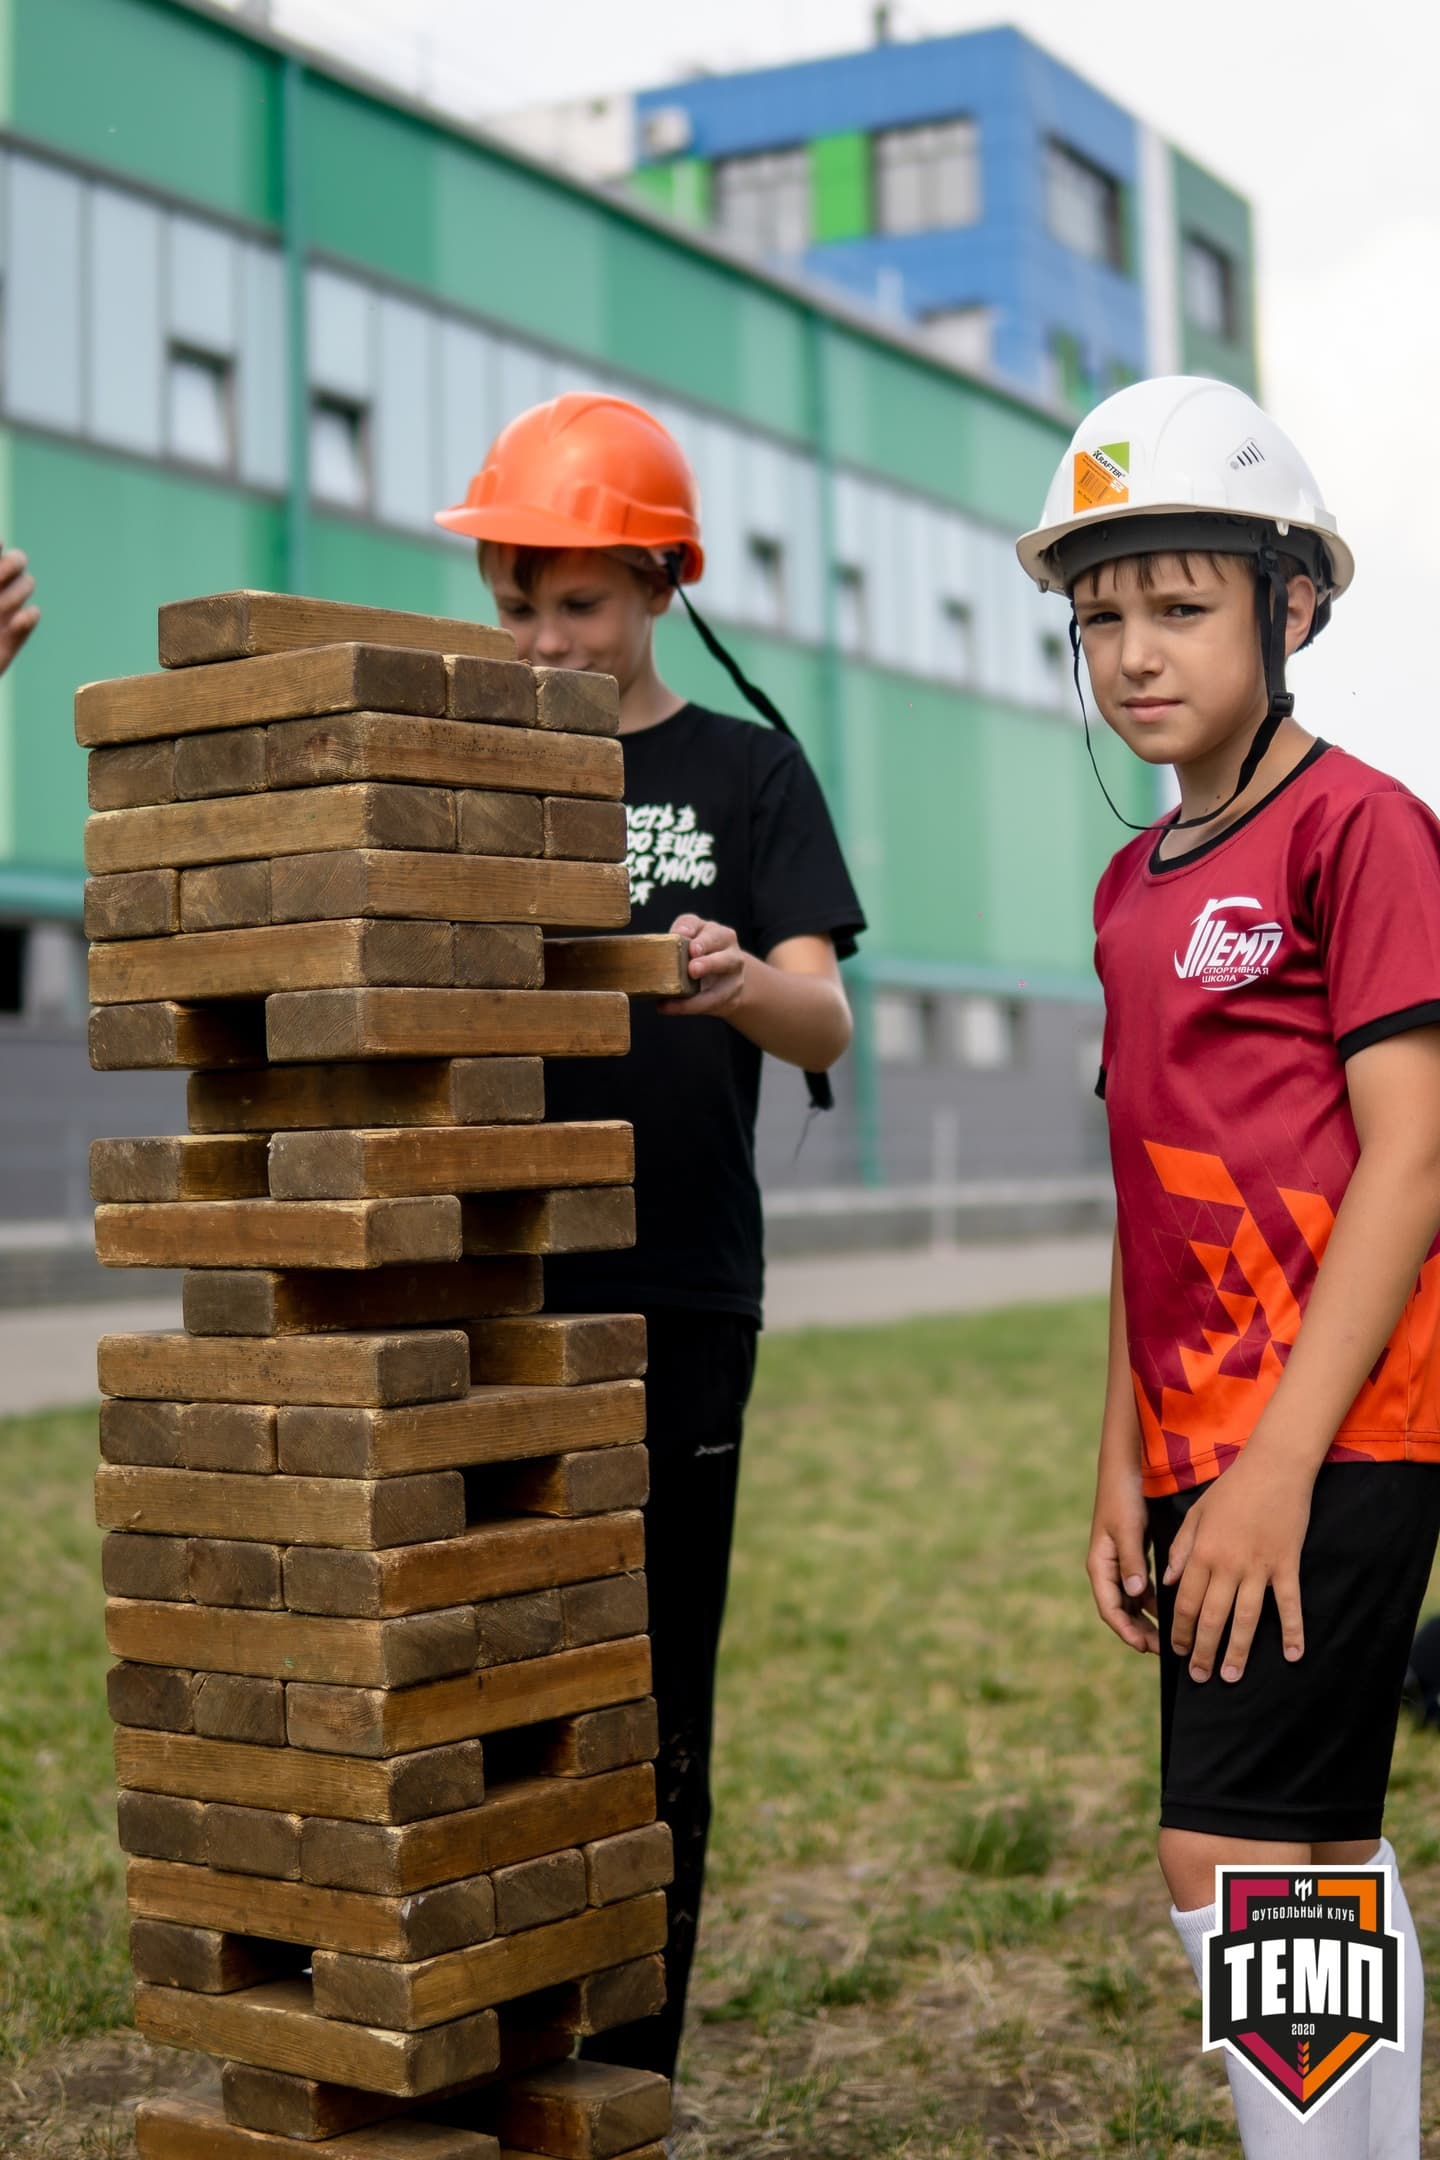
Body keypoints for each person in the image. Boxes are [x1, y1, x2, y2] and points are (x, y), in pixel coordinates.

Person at [1017, 375, 1440, 2157]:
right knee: (1304, 1836)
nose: (1134, 654)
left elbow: (1416, 1156)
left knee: (1231, 1841)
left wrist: (1273, 1469)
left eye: (1182, 607)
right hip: (1203, 1436)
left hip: (1340, 1427)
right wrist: (1124, 1460)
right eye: (1098, 617)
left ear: (1295, 606)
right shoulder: (1129, 886)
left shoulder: (1362, 829)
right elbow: (1151, 1188)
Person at [436, 393, 866, 2079]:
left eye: (579, 603)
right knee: (496, 1662)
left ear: (663, 584)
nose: (544, 640)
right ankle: (497, 2027)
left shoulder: (746, 772)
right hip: (490, 1283)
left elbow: (825, 1020)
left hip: (679, 1289)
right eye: (518, 604)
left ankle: (628, 2068)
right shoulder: (465, 763)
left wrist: (742, 978)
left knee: (652, 1680)